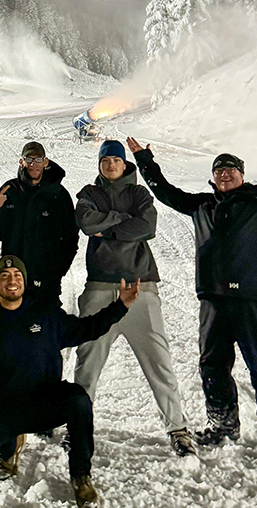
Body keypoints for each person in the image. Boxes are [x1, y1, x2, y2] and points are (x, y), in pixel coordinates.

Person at [128, 120, 257, 455]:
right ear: (213, 178)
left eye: (231, 170)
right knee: (213, 365)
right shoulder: (202, 205)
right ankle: (223, 426)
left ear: (241, 174)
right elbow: (166, 192)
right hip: (213, 299)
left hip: (250, 298)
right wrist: (145, 161)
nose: (225, 175)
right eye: (219, 171)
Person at [0, 256, 139, 508]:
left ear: (24, 283)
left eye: (17, 276)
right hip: (5, 408)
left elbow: (87, 329)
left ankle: (81, 477)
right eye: (5, 276)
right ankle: (10, 445)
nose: (12, 281)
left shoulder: (46, 315)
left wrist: (120, 306)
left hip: (44, 402)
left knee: (78, 400)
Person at [73, 138, 195, 458]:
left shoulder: (139, 193)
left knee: (158, 360)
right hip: (100, 287)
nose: (111, 165)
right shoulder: (89, 193)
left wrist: (108, 226)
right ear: (99, 165)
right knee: (88, 362)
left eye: (116, 160)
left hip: (141, 286)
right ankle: (77, 426)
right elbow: (86, 222)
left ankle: (178, 429)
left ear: (125, 164)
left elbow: (148, 226)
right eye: (105, 161)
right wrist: (124, 222)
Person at [0, 141, 78, 306]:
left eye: (38, 160)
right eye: (28, 159)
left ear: (45, 162)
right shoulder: (10, 190)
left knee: (46, 326)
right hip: (14, 278)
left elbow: (71, 238)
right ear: (21, 162)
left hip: (46, 280)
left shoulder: (58, 194)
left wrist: (58, 271)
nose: (33, 164)